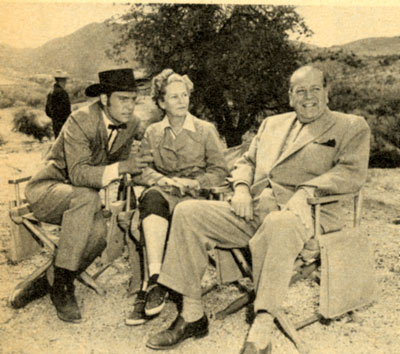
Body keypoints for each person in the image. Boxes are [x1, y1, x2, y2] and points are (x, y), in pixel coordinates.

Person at [145, 65, 371, 353]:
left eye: (315, 89)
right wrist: (240, 187)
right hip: (255, 211)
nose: (308, 97)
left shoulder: (350, 126)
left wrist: (308, 190)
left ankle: (262, 327)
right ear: (290, 96)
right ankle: (192, 314)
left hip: (308, 217)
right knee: (188, 212)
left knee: (279, 222)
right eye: (300, 91)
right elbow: (246, 162)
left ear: (327, 92)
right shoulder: (272, 124)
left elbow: (351, 173)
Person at [15, 68, 152, 323]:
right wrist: (123, 167)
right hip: (49, 190)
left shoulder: (130, 124)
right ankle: (63, 286)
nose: (130, 106)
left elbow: (124, 165)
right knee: (88, 198)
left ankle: (48, 281)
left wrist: (155, 175)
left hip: (83, 201)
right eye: (123, 99)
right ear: (104, 99)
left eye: (133, 99)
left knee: (99, 238)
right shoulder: (80, 120)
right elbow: (78, 175)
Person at [125, 69, 229, 325]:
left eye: (184, 95)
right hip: (165, 193)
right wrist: (162, 180)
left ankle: (156, 287)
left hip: (197, 198)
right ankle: (156, 278)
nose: (182, 101)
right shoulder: (153, 133)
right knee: (151, 199)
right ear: (161, 103)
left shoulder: (205, 130)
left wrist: (195, 182)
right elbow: (142, 170)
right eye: (174, 97)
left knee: (179, 211)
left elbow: (220, 171)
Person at [45, 70, 71, 138]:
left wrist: (55, 118)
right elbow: (67, 110)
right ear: (61, 81)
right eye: (65, 80)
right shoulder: (63, 93)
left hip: (55, 123)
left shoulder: (50, 92)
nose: (65, 83)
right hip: (63, 123)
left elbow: (47, 111)